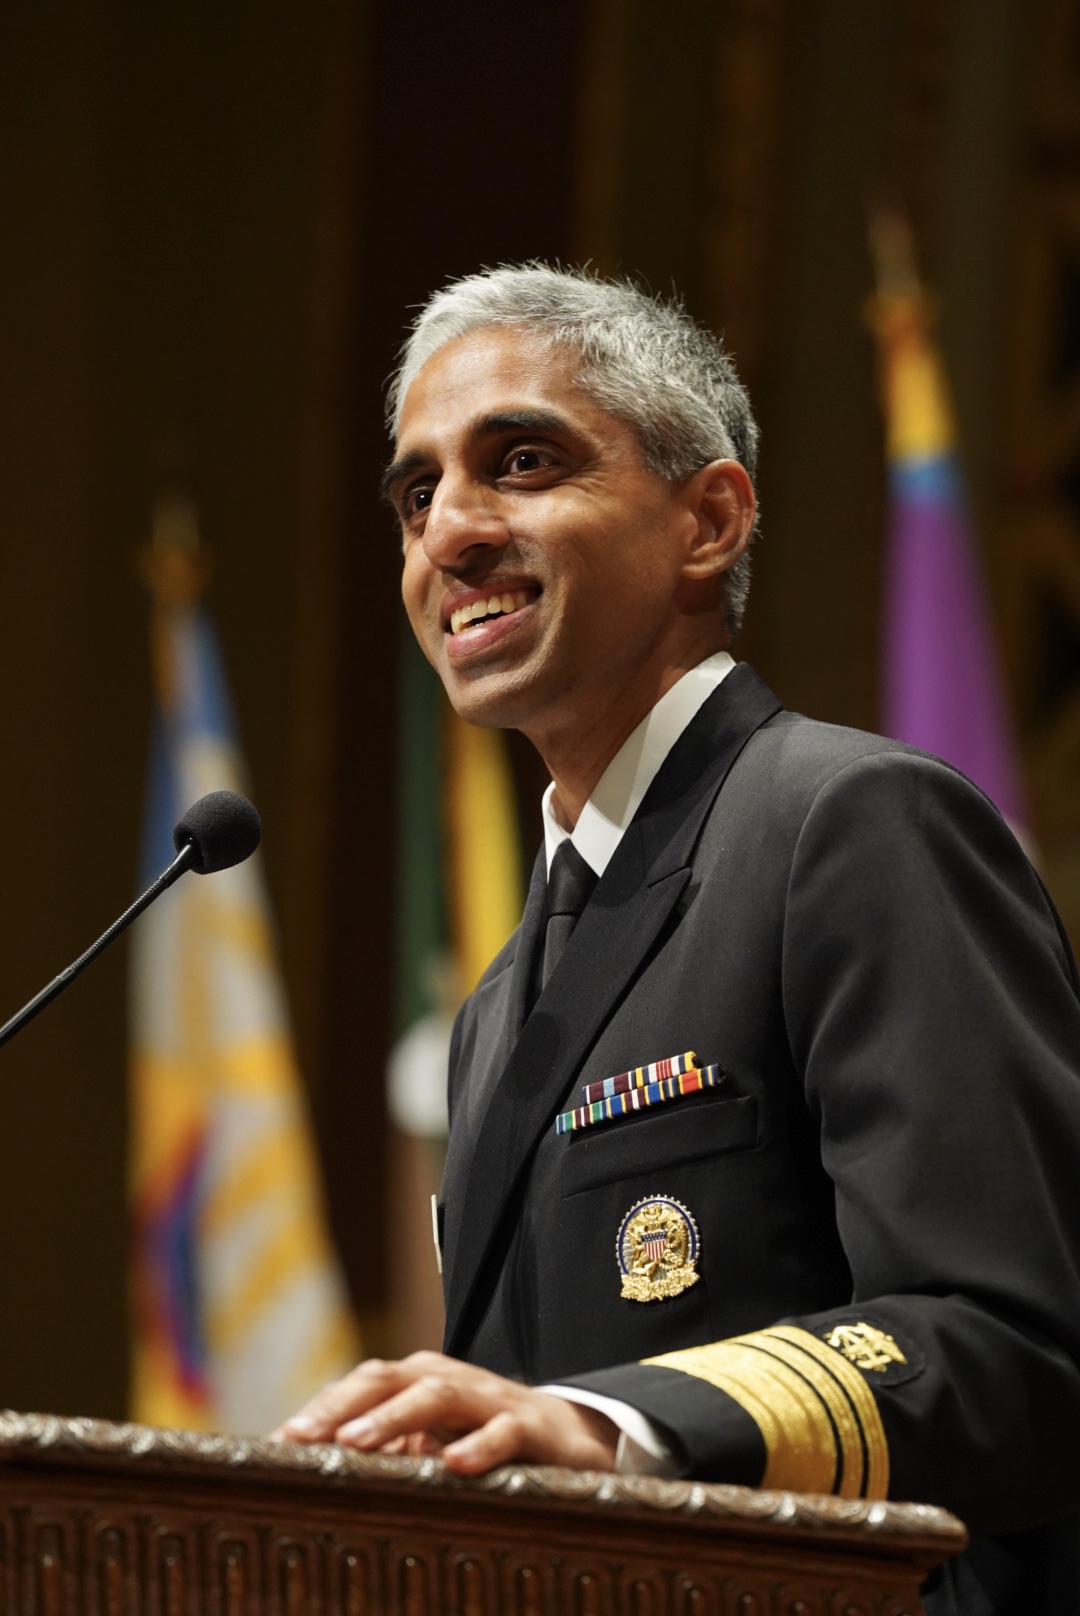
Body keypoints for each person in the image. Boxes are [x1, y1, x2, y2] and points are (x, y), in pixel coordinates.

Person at [275, 265, 1080, 1614]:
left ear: (709, 520)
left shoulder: (848, 824)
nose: (449, 533)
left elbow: (1015, 1348)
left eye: (521, 462)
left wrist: (613, 1429)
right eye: (417, 494)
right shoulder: (495, 1004)